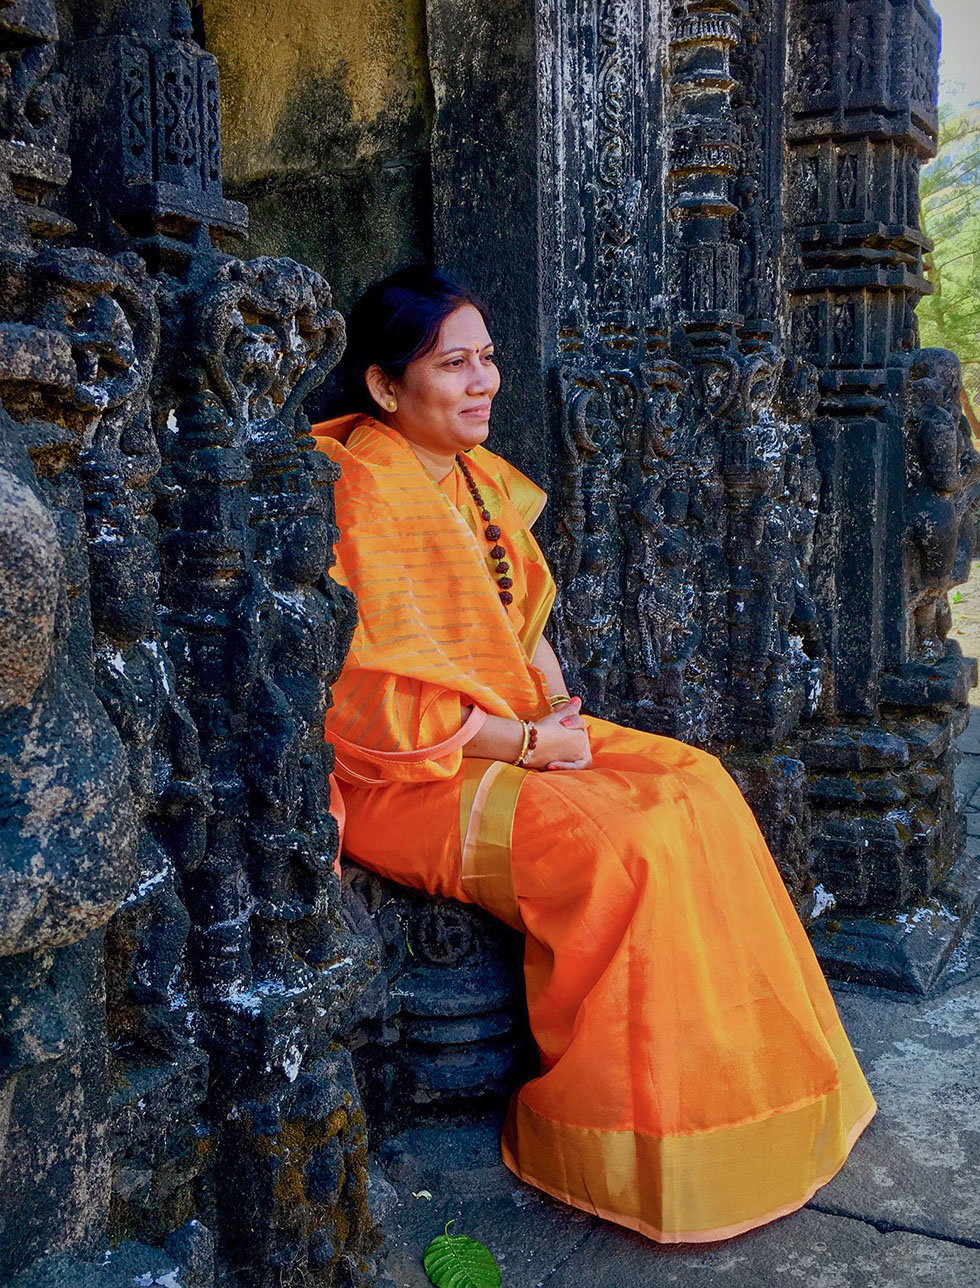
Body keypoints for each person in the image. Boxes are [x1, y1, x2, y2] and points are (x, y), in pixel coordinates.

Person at [311, 267, 875, 1244]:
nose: (483, 379)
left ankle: (756, 1100)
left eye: (486, 357)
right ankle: (623, 1139)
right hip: (410, 778)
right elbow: (377, 706)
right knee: (630, 846)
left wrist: (562, 718)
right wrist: (533, 743)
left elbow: (521, 623)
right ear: (384, 388)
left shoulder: (473, 479)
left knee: (697, 783)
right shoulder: (369, 487)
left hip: (510, 737)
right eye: (454, 363)